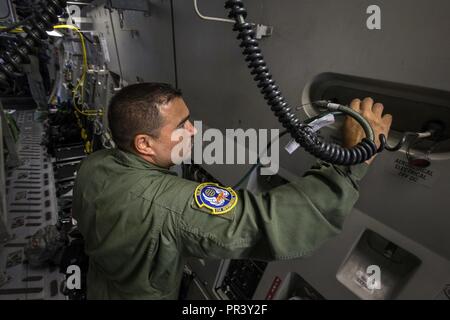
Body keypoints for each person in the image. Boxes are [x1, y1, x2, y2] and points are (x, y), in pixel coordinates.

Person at [72, 82, 392, 299]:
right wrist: (354, 157)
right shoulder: (166, 203)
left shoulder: (95, 164)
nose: (193, 130)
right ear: (144, 143)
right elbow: (272, 222)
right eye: (181, 125)